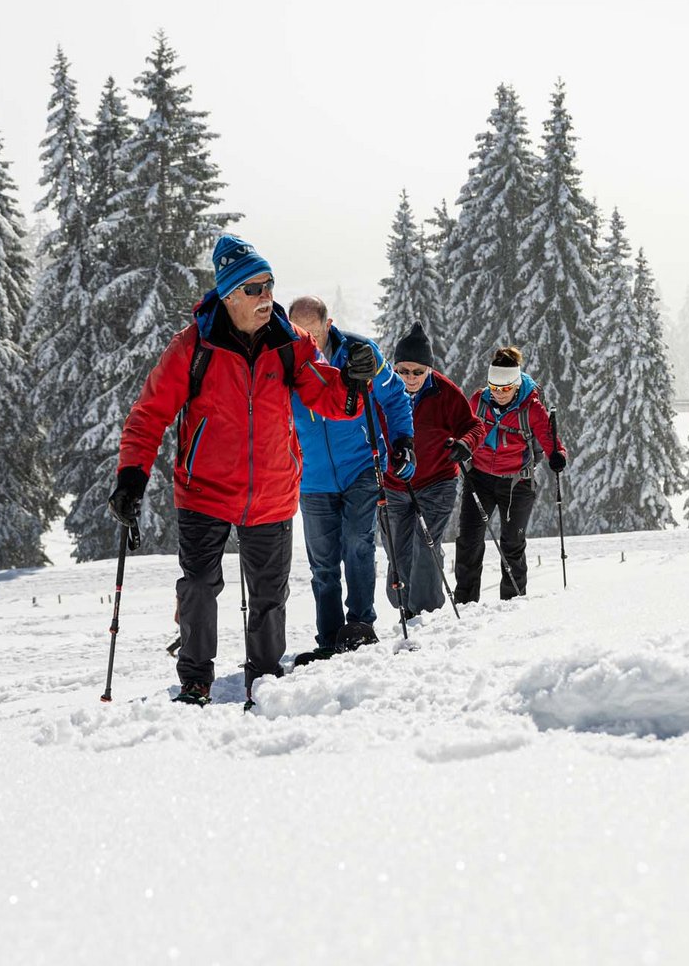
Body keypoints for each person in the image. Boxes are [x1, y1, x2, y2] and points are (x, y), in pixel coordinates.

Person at [108, 235, 372, 708]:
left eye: (269, 285)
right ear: (228, 295)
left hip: (271, 489)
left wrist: (352, 380)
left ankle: (265, 678)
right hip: (203, 490)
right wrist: (132, 476)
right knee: (199, 586)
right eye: (253, 288)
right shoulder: (193, 346)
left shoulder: (289, 345)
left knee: (270, 594)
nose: (265, 296)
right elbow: (149, 414)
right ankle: (194, 680)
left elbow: (329, 398)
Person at [286, 295, 415, 663]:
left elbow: (395, 398)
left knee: (358, 543)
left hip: (361, 464)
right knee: (323, 562)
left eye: (313, 332)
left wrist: (403, 441)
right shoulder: (287, 362)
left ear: (329, 325)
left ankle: (360, 625)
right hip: (312, 477)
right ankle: (329, 635)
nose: (307, 339)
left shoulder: (360, 352)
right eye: (299, 332)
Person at [380, 322, 483, 626]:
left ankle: (424, 615)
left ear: (428, 370)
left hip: (437, 481)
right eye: (403, 370)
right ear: (393, 367)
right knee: (397, 550)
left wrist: (464, 445)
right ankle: (404, 607)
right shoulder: (382, 390)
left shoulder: (444, 392)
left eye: (417, 371)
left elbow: (473, 426)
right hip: (393, 483)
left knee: (424, 544)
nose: (409, 378)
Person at [455, 346, 568, 604]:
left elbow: (551, 440)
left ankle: (513, 603)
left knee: (512, 545)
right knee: (469, 542)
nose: (499, 393)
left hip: (517, 483)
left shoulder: (532, 408)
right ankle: (464, 602)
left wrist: (557, 456)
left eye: (505, 389)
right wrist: (460, 446)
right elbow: (465, 429)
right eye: (494, 387)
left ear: (516, 385)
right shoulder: (478, 401)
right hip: (479, 478)